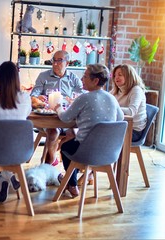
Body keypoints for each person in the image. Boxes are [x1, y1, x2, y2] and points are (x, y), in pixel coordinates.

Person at [53, 63, 124, 197]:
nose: (81, 79)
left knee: (65, 146)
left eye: (85, 77)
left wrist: (58, 108)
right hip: (109, 152)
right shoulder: (112, 98)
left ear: (95, 80)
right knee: (71, 141)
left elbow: (66, 118)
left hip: (86, 150)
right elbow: (120, 118)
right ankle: (69, 182)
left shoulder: (84, 98)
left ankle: (72, 184)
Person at [0, 61, 32, 203]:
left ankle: (5, 178)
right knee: (7, 149)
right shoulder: (26, 97)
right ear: (17, 79)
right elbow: (27, 114)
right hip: (19, 151)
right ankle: (9, 177)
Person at [30, 50, 84, 166]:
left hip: (67, 116)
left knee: (73, 133)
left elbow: (82, 96)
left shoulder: (74, 79)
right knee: (53, 131)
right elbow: (33, 95)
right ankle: (49, 164)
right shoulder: (43, 76)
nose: (55, 63)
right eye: (54, 60)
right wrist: (38, 97)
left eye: (59, 61)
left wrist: (72, 100)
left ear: (67, 63)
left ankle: (65, 163)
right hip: (48, 117)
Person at [110, 64, 147, 141]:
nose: (116, 77)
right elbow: (106, 100)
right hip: (121, 125)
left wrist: (113, 108)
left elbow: (131, 111)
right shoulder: (116, 90)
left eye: (120, 75)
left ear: (129, 76)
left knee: (103, 134)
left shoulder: (136, 90)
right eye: (114, 75)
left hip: (133, 131)